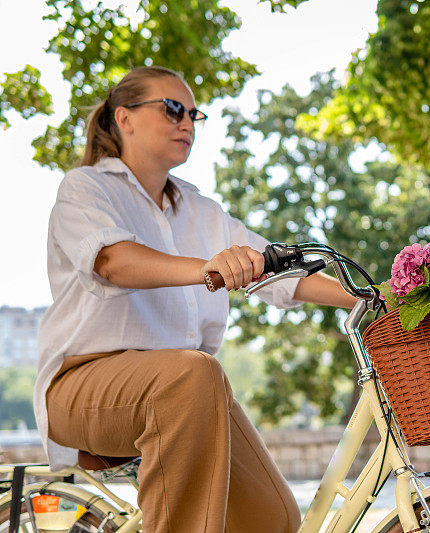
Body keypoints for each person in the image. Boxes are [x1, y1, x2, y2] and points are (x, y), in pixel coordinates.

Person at [33, 65, 358, 533]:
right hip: (83, 385)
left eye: (193, 114)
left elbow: (277, 272)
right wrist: (206, 268)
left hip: (189, 391)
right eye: (171, 109)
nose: (186, 123)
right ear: (124, 119)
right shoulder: (85, 188)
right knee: (192, 372)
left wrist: (371, 297)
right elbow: (113, 262)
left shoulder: (203, 211)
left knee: (272, 517)